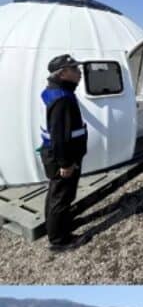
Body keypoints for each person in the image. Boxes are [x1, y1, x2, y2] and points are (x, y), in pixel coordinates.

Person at [40, 54, 88, 250]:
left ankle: (57, 226)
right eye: (75, 69)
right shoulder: (61, 98)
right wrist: (65, 164)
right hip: (62, 156)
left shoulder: (55, 91)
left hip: (56, 154)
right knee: (61, 196)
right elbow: (59, 136)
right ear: (63, 73)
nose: (80, 73)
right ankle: (59, 240)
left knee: (56, 194)